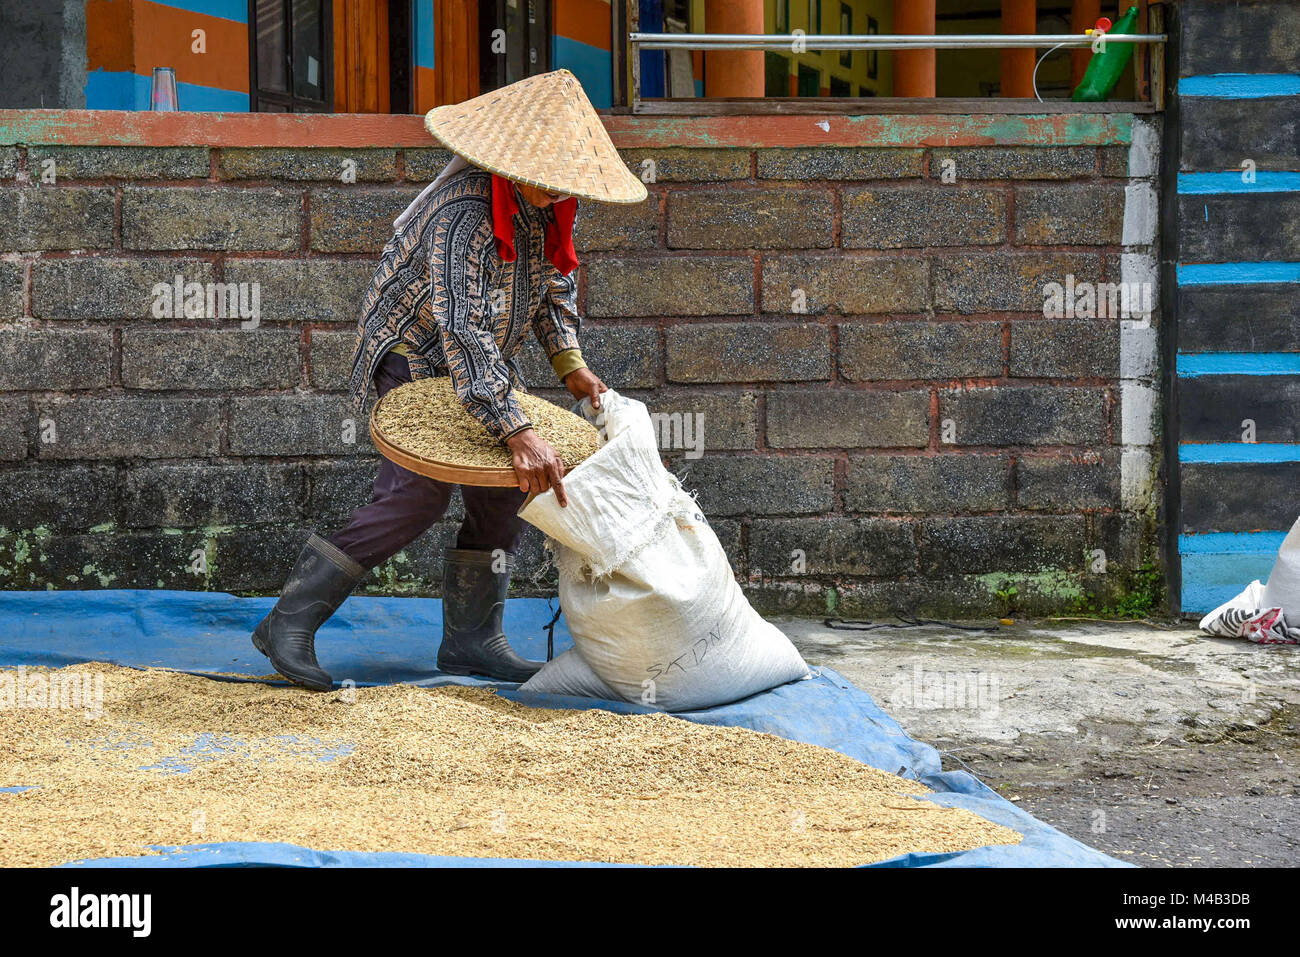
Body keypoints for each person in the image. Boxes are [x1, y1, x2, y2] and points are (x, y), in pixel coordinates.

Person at [251, 70, 648, 691]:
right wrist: (514, 424)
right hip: (413, 357)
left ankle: (471, 641)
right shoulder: (462, 212)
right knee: (416, 496)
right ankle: (287, 623)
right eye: (553, 173)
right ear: (515, 163)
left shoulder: (547, 212)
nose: (563, 188)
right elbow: (461, 326)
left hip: (480, 360)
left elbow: (551, 292)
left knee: (507, 491)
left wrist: (573, 369)